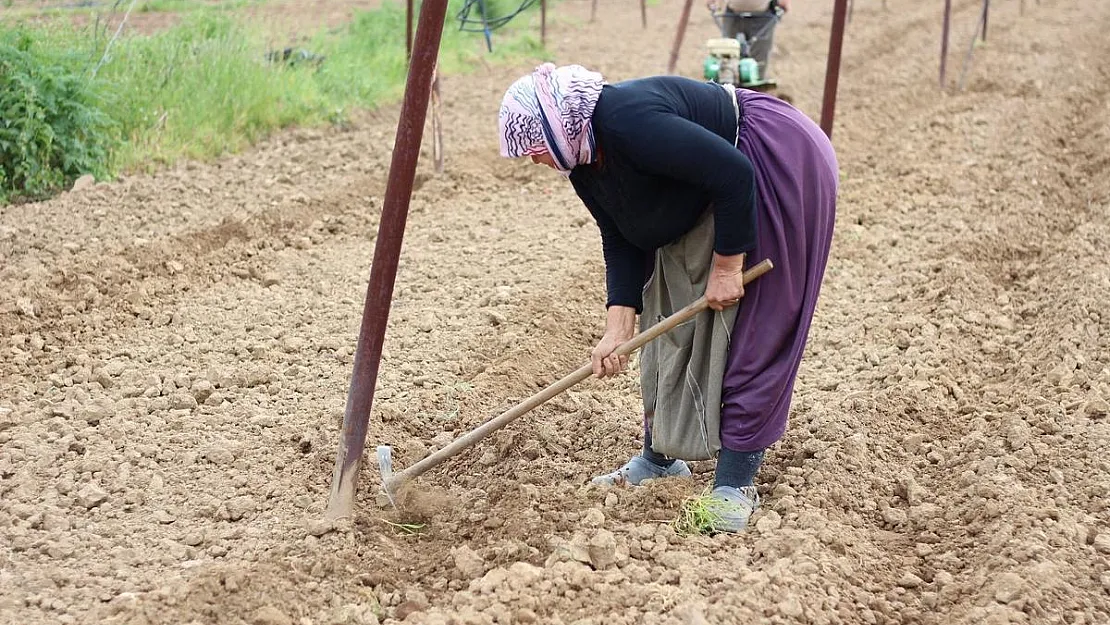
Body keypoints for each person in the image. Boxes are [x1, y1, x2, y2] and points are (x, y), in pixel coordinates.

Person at [497, 64, 836, 532]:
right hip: (711, 186)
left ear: (557, 122)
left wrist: (727, 267)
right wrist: (617, 328)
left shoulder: (626, 122)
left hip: (775, 160)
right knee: (669, 318)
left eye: (533, 146)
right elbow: (620, 236)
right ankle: (659, 459)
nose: (534, 160)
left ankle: (733, 485)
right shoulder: (582, 160)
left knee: (756, 326)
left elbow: (734, 174)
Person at [708, 0, 789, 78]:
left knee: (760, 51)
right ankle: (729, 77)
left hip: (762, 16)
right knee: (729, 50)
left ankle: (757, 81)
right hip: (733, 13)